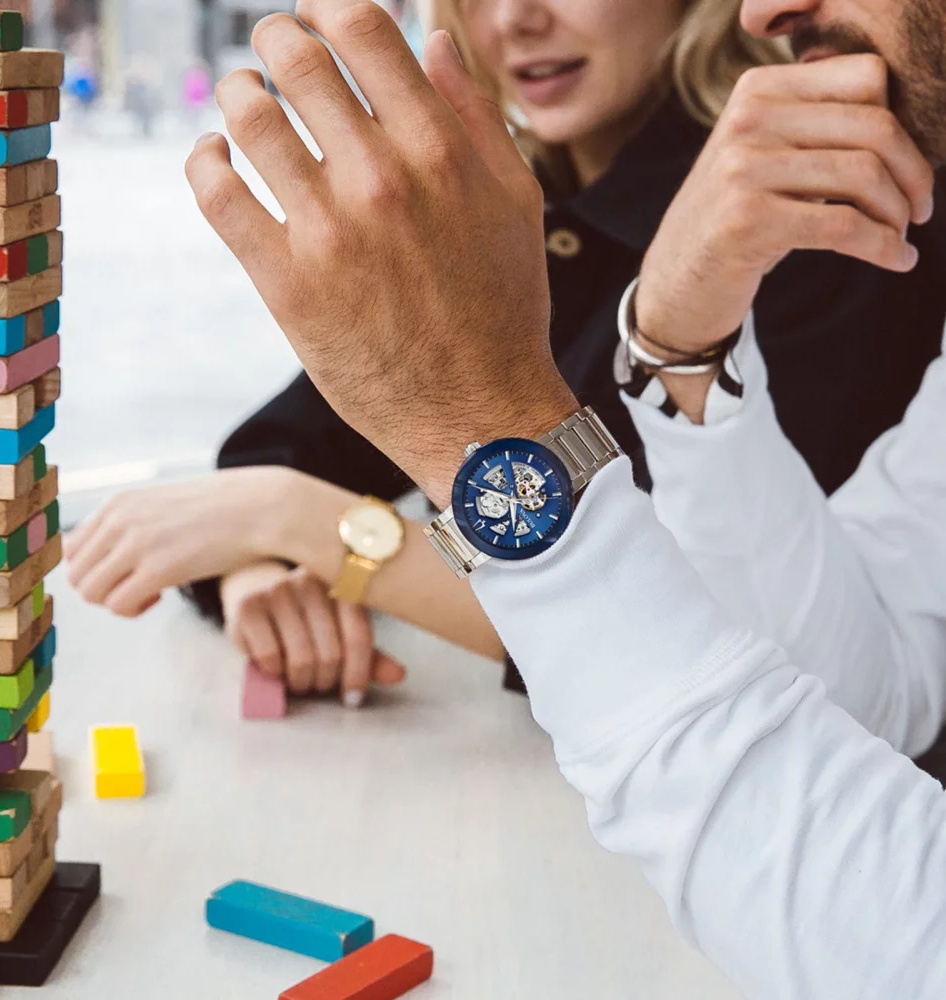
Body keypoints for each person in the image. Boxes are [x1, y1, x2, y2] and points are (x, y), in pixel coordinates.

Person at [176, 0, 946, 994]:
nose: (767, 10)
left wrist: (348, 520)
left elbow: (720, 661)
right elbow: (853, 703)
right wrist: (675, 341)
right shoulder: (539, 198)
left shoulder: (828, 202)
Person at [65, 0, 946, 713]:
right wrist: (265, 573)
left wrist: (318, 532)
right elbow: (297, 438)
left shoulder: (802, 213)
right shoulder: (517, 198)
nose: (515, 18)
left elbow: (693, 629)